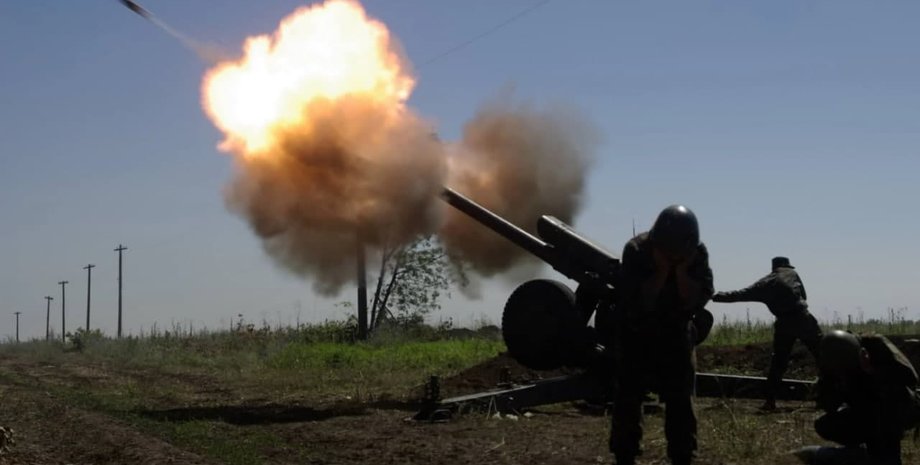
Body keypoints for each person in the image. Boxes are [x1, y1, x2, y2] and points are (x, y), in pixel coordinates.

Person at [610, 205, 714, 465]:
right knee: (628, 396)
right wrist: (662, 270)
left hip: (676, 331)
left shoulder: (696, 253)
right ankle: (625, 455)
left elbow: (697, 299)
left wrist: (680, 272)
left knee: (681, 399)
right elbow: (640, 301)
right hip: (637, 331)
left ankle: (682, 455)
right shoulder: (636, 250)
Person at [711, 256, 822, 411]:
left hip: (784, 323)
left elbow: (740, 294)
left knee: (779, 362)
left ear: (773, 268)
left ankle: (770, 401)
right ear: (786, 266)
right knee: (823, 356)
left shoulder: (764, 284)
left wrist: (716, 297)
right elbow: (803, 296)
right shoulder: (791, 273)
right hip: (803, 318)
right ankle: (826, 397)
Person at [793, 330, 920, 465]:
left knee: (884, 418)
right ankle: (860, 454)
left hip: (897, 408)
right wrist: (833, 386)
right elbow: (827, 404)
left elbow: (910, 378)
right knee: (826, 425)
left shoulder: (875, 344)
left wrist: (872, 370)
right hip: (865, 411)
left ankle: (881, 453)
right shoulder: (832, 363)